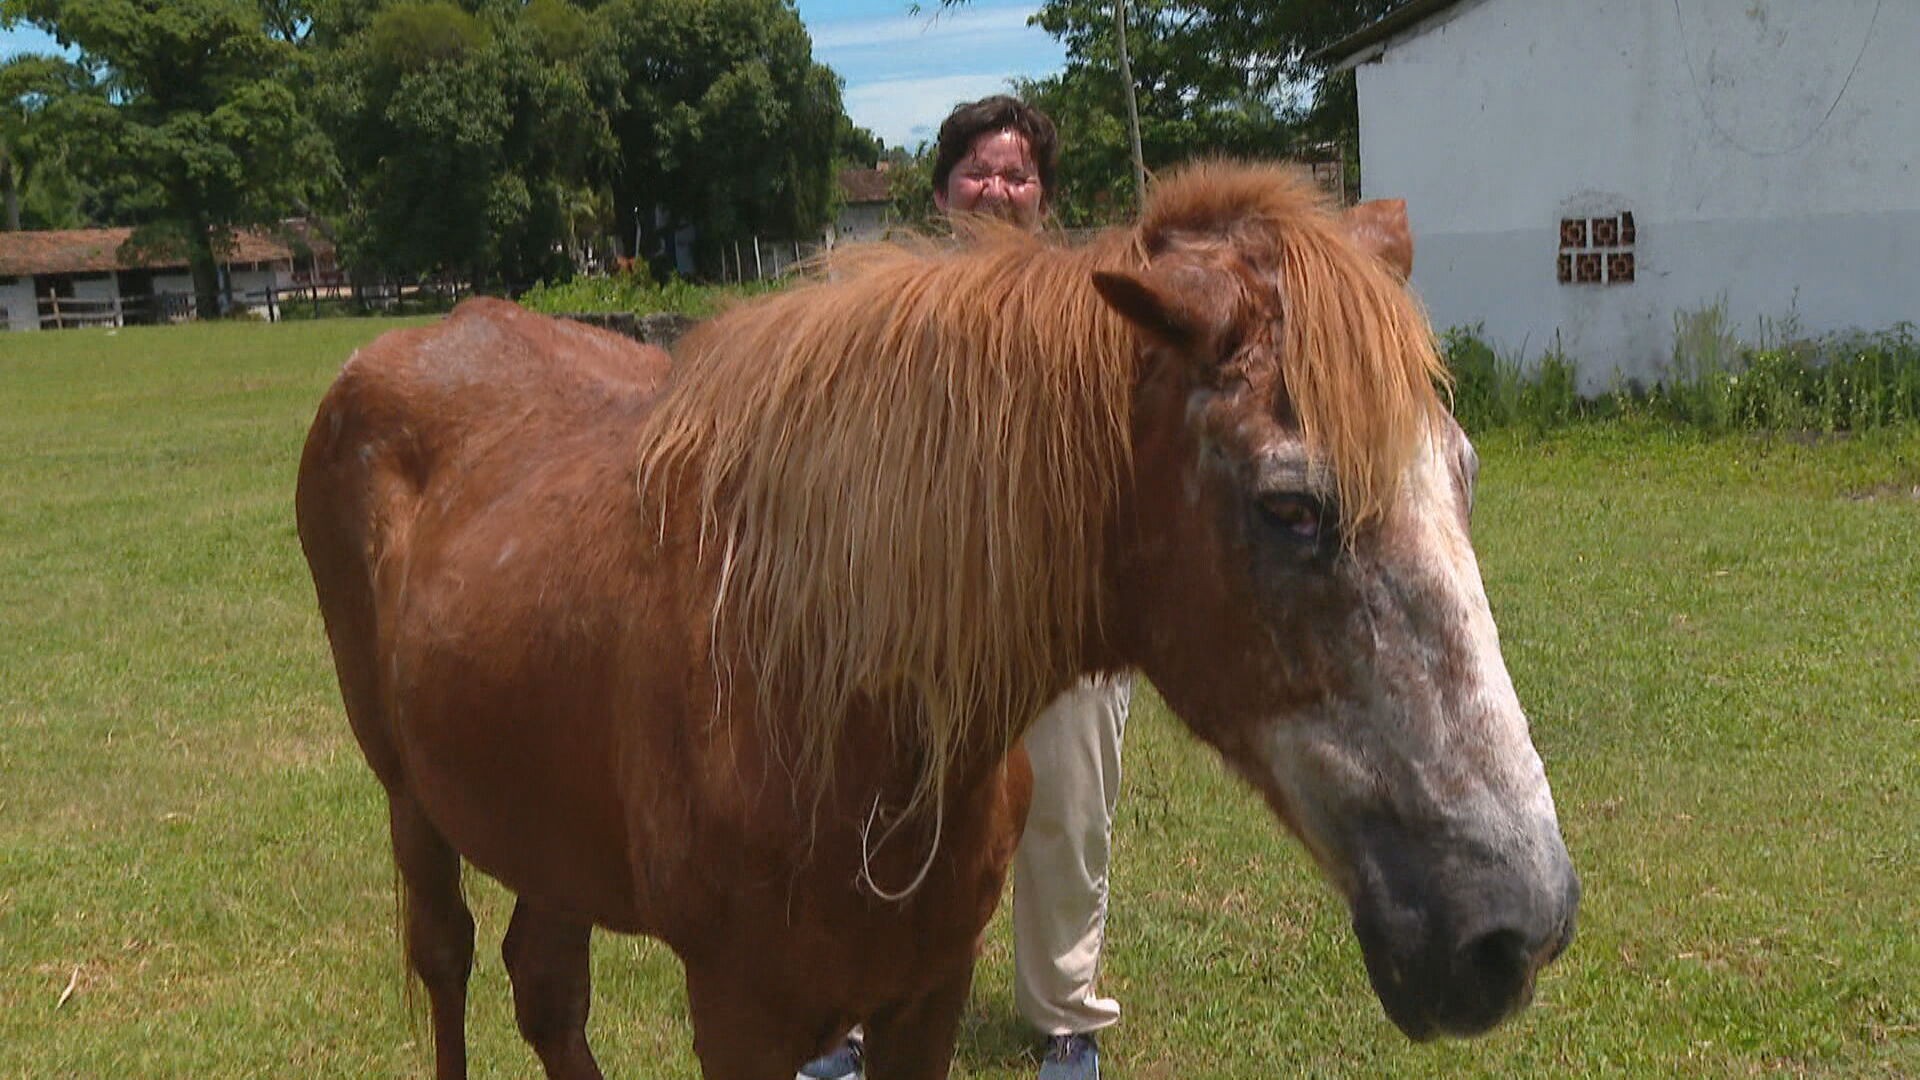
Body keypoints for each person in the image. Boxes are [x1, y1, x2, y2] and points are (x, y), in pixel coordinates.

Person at [801, 95, 1129, 1080]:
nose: (999, 188)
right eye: (980, 171)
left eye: (1018, 174)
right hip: (915, 617)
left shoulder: (1094, 303)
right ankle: (849, 1019)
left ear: (1044, 197)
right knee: (887, 810)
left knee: (1069, 810)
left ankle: (1067, 1016)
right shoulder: (886, 303)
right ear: (942, 188)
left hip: (1060, 614)